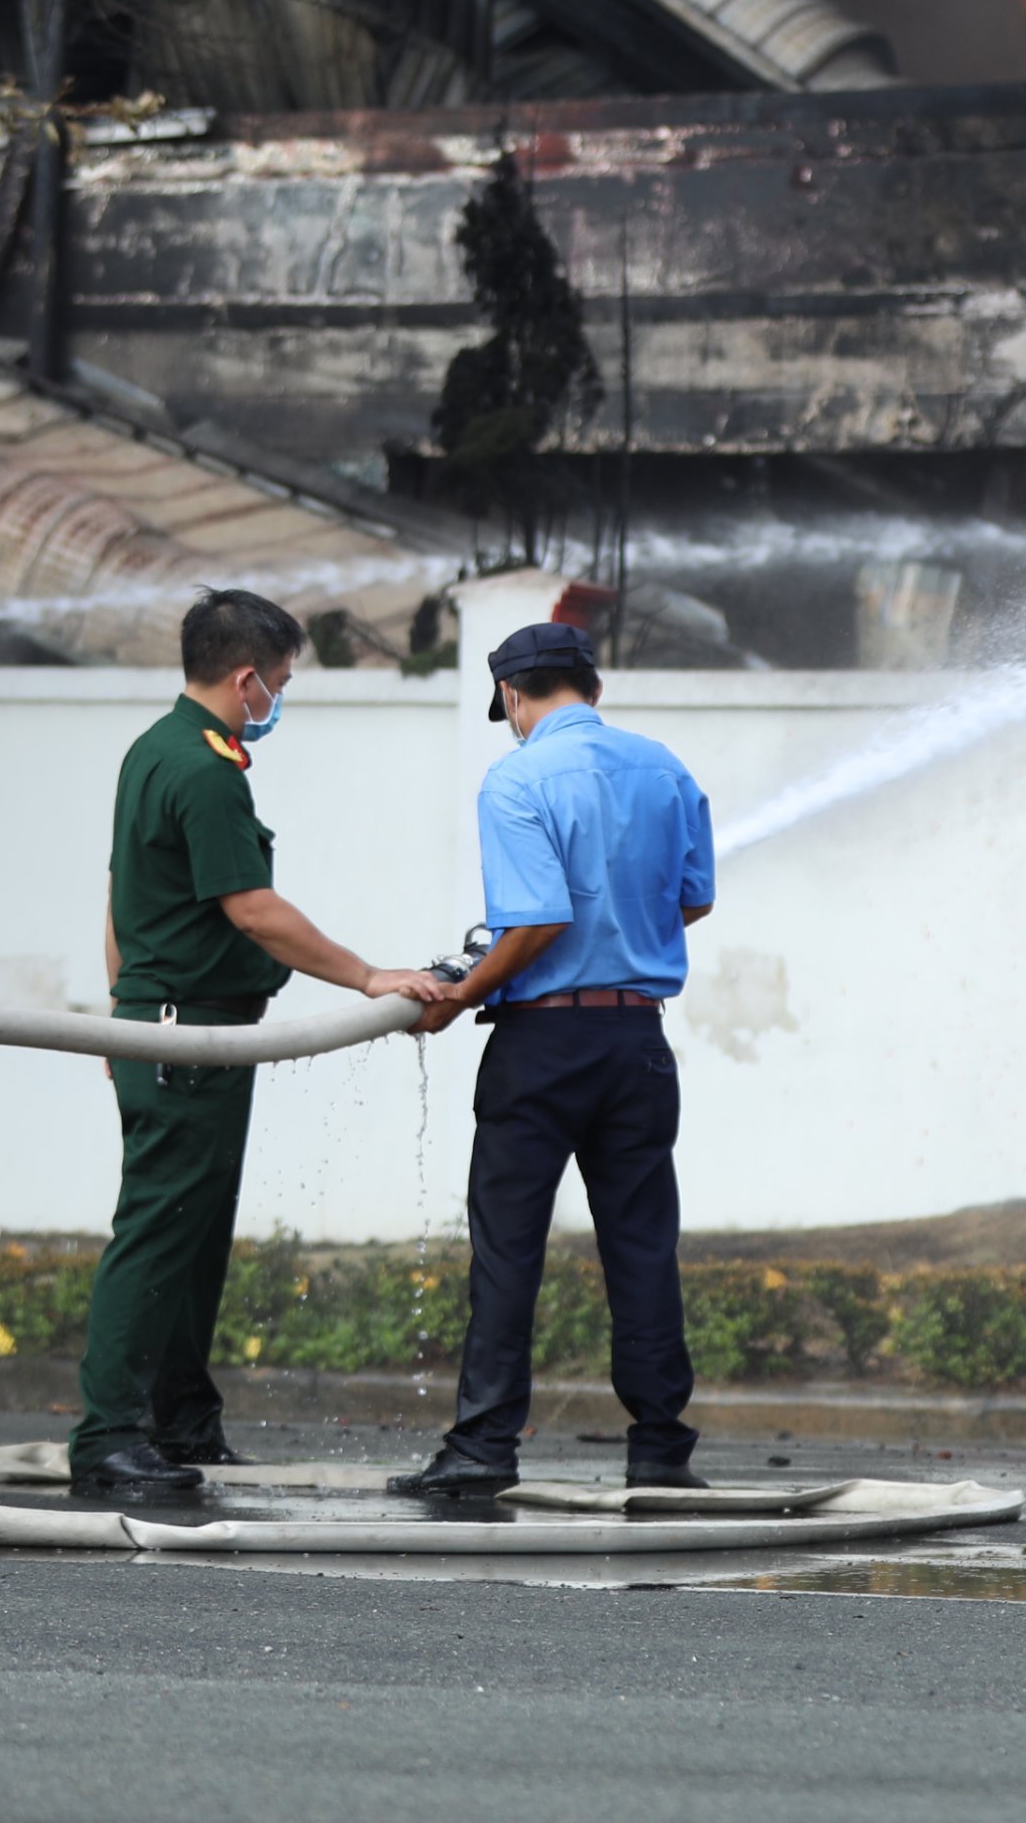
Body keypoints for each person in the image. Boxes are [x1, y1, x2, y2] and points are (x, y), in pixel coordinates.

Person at [66, 589, 447, 1507]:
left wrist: (127, 1007)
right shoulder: (202, 772)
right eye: (277, 681)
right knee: (158, 1238)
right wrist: (368, 977)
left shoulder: (155, 751)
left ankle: (181, 1424)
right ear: (245, 679)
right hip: (184, 1034)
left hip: (178, 1029)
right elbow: (253, 910)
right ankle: (106, 1437)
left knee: (190, 1243)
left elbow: (124, 894)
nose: (277, 696)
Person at [388, 621, 716, 1502]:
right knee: (643, 1248)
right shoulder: (664, 768)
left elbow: (537, 922)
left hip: (540, 1044)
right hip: (637, 1041)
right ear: (593, 689)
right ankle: (660, 1451)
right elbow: (694, 898)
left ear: (510, 697)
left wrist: (462, 992)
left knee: (508, 1251)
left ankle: (483, 1449)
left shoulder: (516, 775)